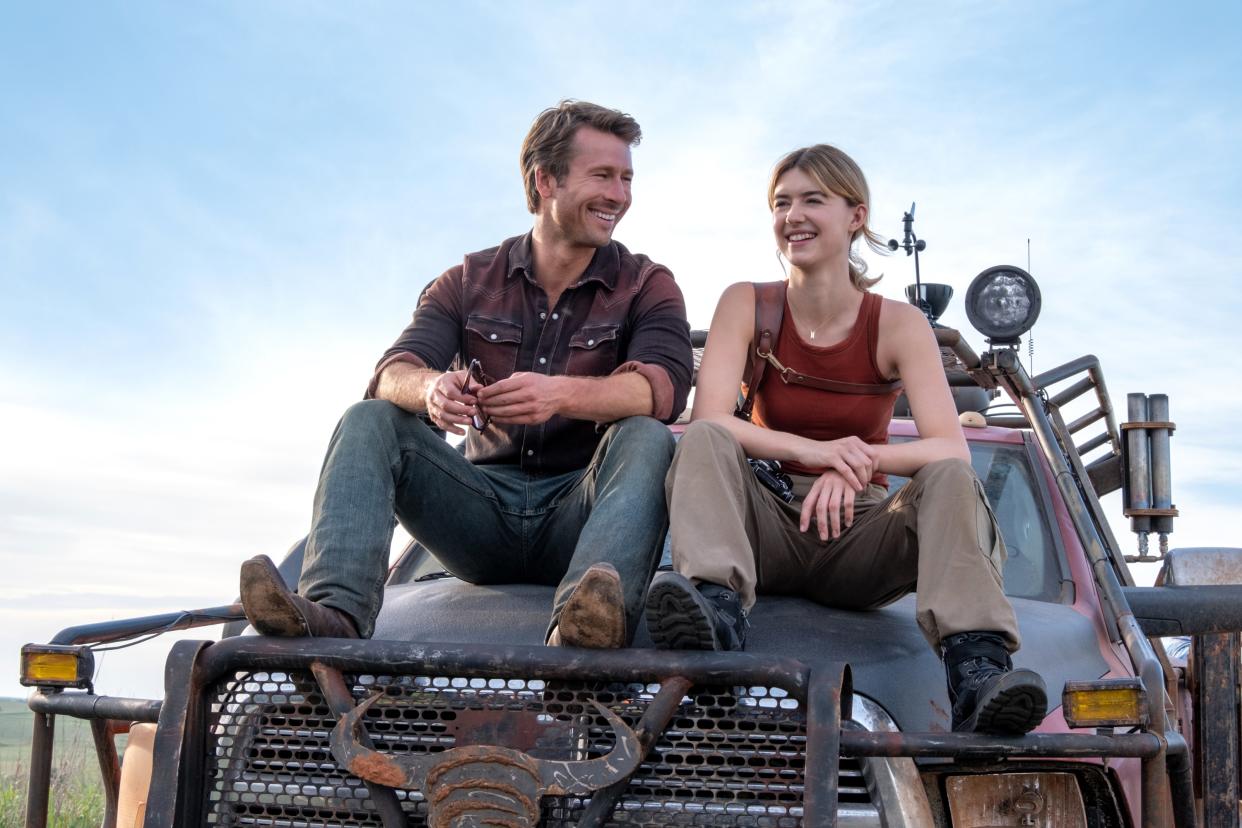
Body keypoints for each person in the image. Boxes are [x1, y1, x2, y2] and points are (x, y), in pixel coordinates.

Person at [240, 100, 693, 650]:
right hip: (478, 513)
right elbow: (391, 373)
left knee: (646, 433)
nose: (619, 195)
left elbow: (663, 389)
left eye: (626, 178)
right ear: (544, 179)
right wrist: (430, 389)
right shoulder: (467, 280)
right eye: (602, 176)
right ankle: (335, 612)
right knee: (369, 418)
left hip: (583, 508)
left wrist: (559, 395)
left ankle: (587, 623)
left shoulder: (648, 283)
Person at [644, 144, 1047, 735]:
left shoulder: (899, 324)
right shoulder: (746, 304)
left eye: (813, 200)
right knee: (704, 438)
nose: (793, 216)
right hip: (763, 525)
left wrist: (855, 463)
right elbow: (709, 418)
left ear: (855, 215)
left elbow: (950, 449)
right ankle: (716, 610)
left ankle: (977, 669)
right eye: (782, 203)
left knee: (951, 479)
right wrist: (813, 452)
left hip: (860, 536)